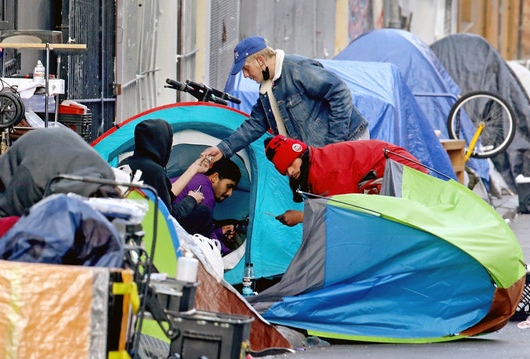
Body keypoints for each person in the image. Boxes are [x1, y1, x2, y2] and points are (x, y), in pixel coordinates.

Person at [200, 36, 368, 167]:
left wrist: (334, 146)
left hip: (349, 141)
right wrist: (223, 149)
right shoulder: (267, 89)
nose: (245, 75)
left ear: (260, 61)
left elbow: (340, 93)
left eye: (246, 68)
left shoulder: (296, 69)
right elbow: (255, 124)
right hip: (320, 154)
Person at [263, 135, 426, 226]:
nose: (290, 172)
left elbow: (345, 210)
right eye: (285, 170)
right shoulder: (315, 164)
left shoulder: (325, 170)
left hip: (402, 173)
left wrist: (300, 217)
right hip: (396, 170)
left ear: (299, 154)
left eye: (290, 164)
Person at [116, 118, 208, 220]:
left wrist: (194, 167)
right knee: (203, 213)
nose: (171, 148)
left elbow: (165, 196)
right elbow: (168, 217)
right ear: (161, 143)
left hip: (123, 223)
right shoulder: (154, 171)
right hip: (147, 229)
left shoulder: (125, 163)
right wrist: (192, 199)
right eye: (169, 143)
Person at [171, 157, 241, 237]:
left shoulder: (197, 179)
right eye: (229, 186)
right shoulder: (205, 190)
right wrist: (226, 249)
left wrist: (220, 232)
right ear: (215, 178)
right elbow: (205, 238)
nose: (230, 193)